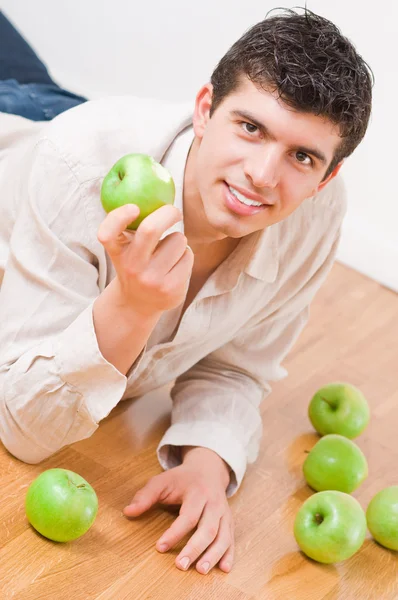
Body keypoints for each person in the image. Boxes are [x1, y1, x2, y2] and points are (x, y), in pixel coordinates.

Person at [0, 7, 373, 575]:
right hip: (24, 133)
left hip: (59, 108)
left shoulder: (316, 218)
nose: (263, 176)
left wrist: (208, 460)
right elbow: (20, 425)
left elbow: (236, 366)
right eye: (251, 127)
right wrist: (131, 306)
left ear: (327, 178)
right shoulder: (79, 165)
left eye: (302, 156)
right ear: (204, 110)